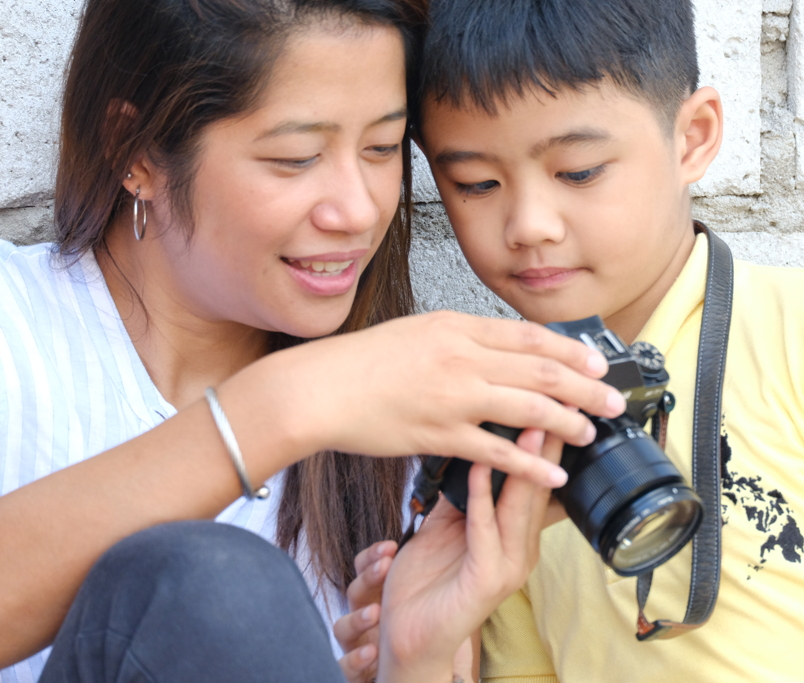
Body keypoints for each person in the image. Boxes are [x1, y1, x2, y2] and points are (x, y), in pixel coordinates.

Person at [337, 0, 804, 680]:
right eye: (475, 183)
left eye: (577, 171)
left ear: (693, 136)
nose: (529, 223)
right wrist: (418, 655)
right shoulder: (510, 434)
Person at [0, 0, 632, 680]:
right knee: (217, 588)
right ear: (136, 151)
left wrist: (413, 657)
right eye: (296, 157)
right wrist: (283, 406)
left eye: (383, 148)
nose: (359, 210)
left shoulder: (405, 453)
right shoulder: (19, 327)